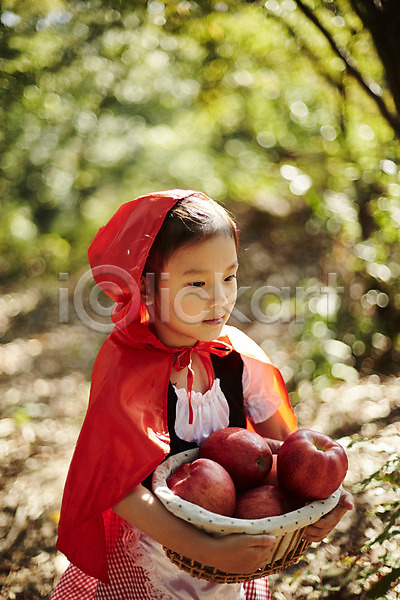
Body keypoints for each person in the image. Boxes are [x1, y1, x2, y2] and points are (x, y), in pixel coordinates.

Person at [51, 189, 353, 600]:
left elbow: (286, 461)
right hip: (153, 559)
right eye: (197, 282)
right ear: (147, 286)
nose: (220, 298)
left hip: (233, 559)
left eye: (229, 276)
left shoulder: (239, 357)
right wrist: (206, 549)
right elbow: (117, 488)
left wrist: (317, 506)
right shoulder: (129, 370)